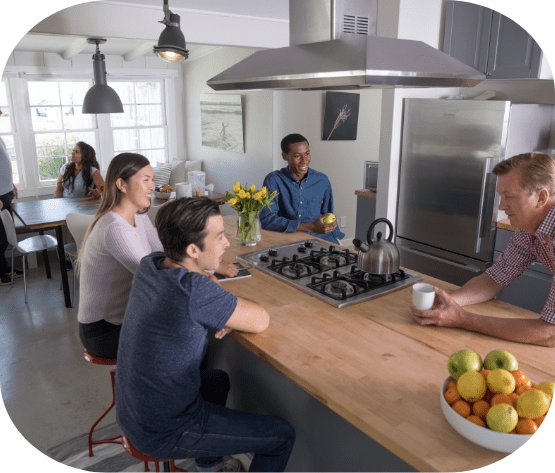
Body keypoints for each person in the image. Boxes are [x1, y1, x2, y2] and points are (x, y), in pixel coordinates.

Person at [116, 197, 295, 472]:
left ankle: (208, 464)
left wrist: (216, 298)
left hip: (134, 414)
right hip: (164, 430)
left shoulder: (151, 265)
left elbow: (198, 287)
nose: (227, 242)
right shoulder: (193, 291)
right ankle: (205, 453)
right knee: (281, 436)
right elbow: (260, 319)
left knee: (216, 380)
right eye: (221, 236)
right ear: (192, 249)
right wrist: (222, 304)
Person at [77, 153, 237, 359]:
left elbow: (168, 255)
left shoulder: (138, 216)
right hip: (104, 332)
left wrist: (211, 268)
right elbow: (158, 276)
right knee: (189, 330)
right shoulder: (114, 228)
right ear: (121, 184)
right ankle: (184, 386)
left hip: (126, 319)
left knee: (194, 321)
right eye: (146, 180)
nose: (153, 186)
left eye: (152, 179)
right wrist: (208, 278)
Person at [411, 152, 555, 347]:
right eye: (500, 196)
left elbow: (549, 333)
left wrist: (463, 319)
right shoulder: (528, 228)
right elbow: (494, 278)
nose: (502, 206)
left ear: (541, 197)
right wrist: (447, 303)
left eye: (509, 196)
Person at [260, 133, 345, 244]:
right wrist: (310, 227)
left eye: (307, 154)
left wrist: (331, 224)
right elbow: (267, 219)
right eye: (297, 156)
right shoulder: (273, 180)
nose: (304, 161)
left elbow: (328, 213)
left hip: (321, 238)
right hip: (287, 239)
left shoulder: (322, 180)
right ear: (285, 156)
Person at [0, 136, 23, 285]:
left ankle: (5, 270)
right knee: (1, 238)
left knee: (6, 236)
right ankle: (2, 273)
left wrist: (10, 183)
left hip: (5, 193)